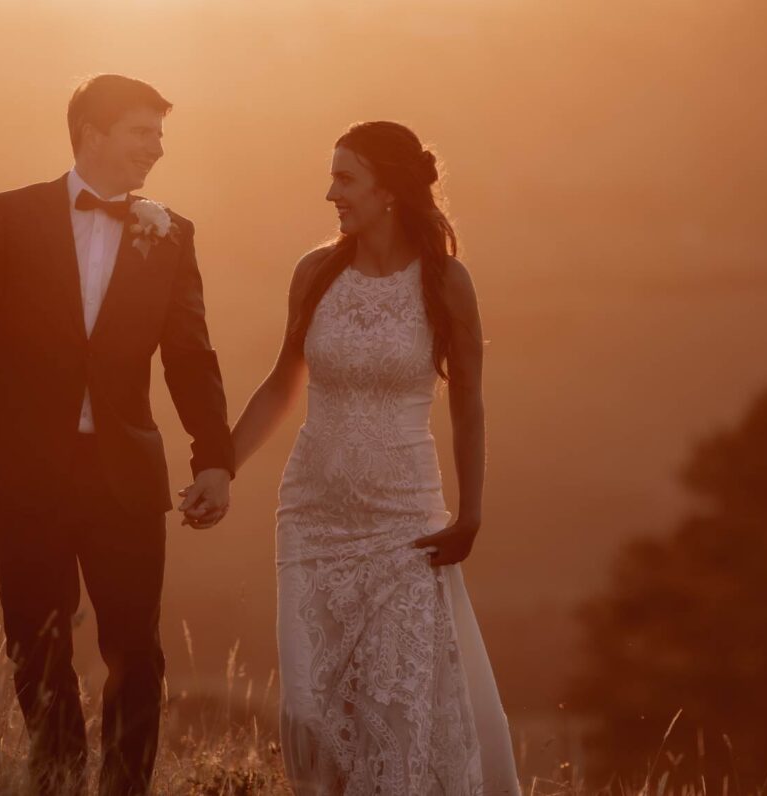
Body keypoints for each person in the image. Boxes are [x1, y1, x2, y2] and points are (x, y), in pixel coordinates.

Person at [0, 74, 234, 796]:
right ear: (91, 135)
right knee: (37, 646)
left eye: (159, 136)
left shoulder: (171, 232)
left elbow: (190, 355)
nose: (156, 150)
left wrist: (214, 458)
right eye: (142, 133)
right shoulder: (8, 216)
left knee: (136, 651)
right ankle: (59, 779)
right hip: (21, 469)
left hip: (125, 473)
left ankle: (125, 789)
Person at [230, 121, 522, 795]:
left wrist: (470, 513)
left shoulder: (447, 283)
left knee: (396, 710)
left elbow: (469, 406)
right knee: (313, 709)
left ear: (388, 190)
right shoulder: (316, 272)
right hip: (311, 517)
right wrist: (220, 466)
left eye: (344, 178)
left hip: (403, 523)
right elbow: (282, 384)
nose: (330, 192)